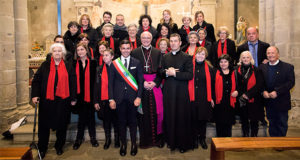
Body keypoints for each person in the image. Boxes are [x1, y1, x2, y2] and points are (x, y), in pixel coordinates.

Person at [31, 43, 76, 158]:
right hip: (47, 99)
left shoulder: (68, 65)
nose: (57, 53)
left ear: (63, 53)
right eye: (55, 51)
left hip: (63, 100)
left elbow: (73, 83)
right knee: (44, 125)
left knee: (62, 124)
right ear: (52, 53)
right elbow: (36, 80)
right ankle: (42, 148)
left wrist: (73, 98)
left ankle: (59, 146)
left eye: (59, 51)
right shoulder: (45, 65)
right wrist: (35, 95)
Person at [159, 33, 193, 153]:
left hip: (181, 92)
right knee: (170, 116)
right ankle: (171, 142)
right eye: (171, 41)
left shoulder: (187, 57)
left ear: (180, 43)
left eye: (175, 41)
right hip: (168, 91)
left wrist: (175, 74)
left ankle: (182, 144)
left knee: (181, 117)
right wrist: (167, 73)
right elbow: (161, 72)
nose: (173, 43)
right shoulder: (165, 57)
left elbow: (189, 75)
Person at [109, 40, 143, 156]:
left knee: (133, 122)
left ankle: (134, 144)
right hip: (119, 99)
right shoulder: (114, 64)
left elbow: (140, 81)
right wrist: (111, 99)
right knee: (121, 122)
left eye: (128, 48)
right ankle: (123, 144)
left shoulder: (137, 62)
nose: (125, 50)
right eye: (123, 48)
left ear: (131, 49)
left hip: (133, 99)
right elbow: (110, 83)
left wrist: (139, 97)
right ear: (120, 49)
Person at [131, 31, 164, 148]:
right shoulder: (134, 52)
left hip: (154, 86)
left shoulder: (157, 52)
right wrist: (142, 82)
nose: (146, 40)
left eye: (148, 38)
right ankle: (145, 141)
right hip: (141, 86)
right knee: (143, 115)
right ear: (140, 39)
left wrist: (155, 83)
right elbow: (132, 71)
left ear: (151, 39)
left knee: (157, 113)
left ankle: (157, 140)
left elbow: (161, 71)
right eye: (143, 38)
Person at [260, 46, 295, 137]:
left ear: (278, 54)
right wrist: (263, 91)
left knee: (282, 123)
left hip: (282, 101)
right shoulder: (262, 67)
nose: (270, 55)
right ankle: (273, 142)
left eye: (273, 53)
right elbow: (260, 82)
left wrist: (277, 92)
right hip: (269, 101)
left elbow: (290, 83)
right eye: (268, 53)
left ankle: (281, 143)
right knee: (271, 122)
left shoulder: (288, 67)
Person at [72, 42, 98, 150]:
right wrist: (73, 97)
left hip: (90, 95)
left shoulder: (93, 63)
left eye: (82, 49)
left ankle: (93, 138)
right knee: (81, 118)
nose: (80, 52)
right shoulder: (73, 64)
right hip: (79, 95)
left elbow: (96, 81)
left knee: (91, 117)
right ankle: (79, 138)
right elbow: (72, 82)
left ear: (86, 50)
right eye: (78, 50)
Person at [188, 47, 214, 149]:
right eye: (199, 54)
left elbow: (212, 84)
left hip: (204, 98)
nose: (200, 56)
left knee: (202, 120)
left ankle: (202, 139)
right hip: (192, 97)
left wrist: (211, 97)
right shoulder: (189, 66)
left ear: (205, 56)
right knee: (193, 119)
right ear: (195, 54)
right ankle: (194, 139)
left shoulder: (210, 68)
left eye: (203, 54)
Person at [94, 49, 120, 149]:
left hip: (115, 99)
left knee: (116, 121)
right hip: (104, 99)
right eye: (103, 55)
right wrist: (96, 101)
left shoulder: (118, 68)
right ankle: (108, 140)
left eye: (107, 55)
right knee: (106, 121)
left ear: (112, 56)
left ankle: (117, 140)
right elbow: (96, 85)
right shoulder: (99, 69)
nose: (104, 57)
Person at [236, 51, 264, 137]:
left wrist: (248, 94)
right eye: (243, 57)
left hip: (254, 99)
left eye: (247, 57)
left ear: (251, 58)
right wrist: (242, 94)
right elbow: (236, 84)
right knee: (244, 119)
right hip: (241, 99)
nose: (245, 59)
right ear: (240, 59)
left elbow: (259, 84)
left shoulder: (257, 70)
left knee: (254, 120)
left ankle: (254, 136)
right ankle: (245, 135)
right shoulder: (236, 70)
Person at [214, 54, 237, 137]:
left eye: (225, 62)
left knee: (228, 123)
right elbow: (212, 87)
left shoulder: (234, 73)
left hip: (230, 101)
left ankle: (227, 141)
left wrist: (237, 91)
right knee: (219, 123)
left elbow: (240, 85)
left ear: (229, 62)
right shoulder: (215, 72)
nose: (223, 63)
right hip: (219, 102)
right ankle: (219, 142)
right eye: (221, 62)